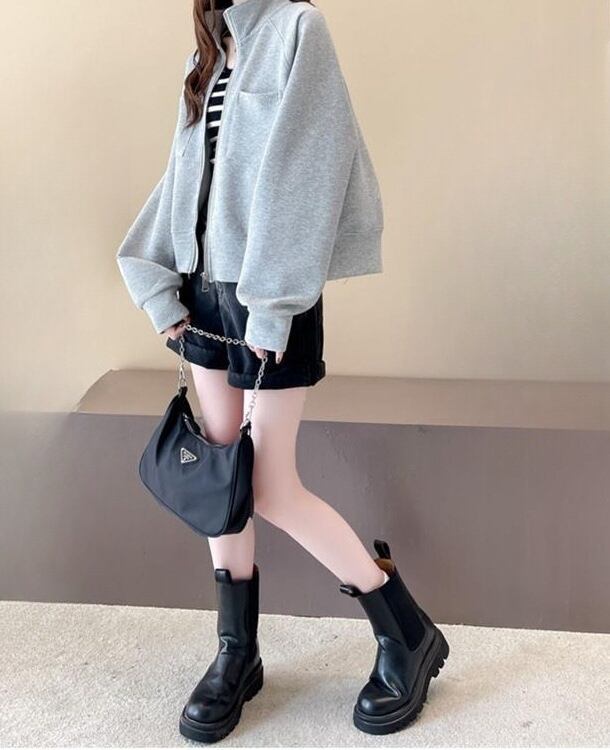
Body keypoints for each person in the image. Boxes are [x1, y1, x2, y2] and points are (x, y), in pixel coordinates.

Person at [116, 0, 448, 742]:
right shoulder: (208, 53)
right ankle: (237, 653)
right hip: (204, 296)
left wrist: (271, 309)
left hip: (271, 296)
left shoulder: (300, 29)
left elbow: (308, 172)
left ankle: (407, 632)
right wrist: (159, 287)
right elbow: (182, 180)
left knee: (270, 484)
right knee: (222, 478)